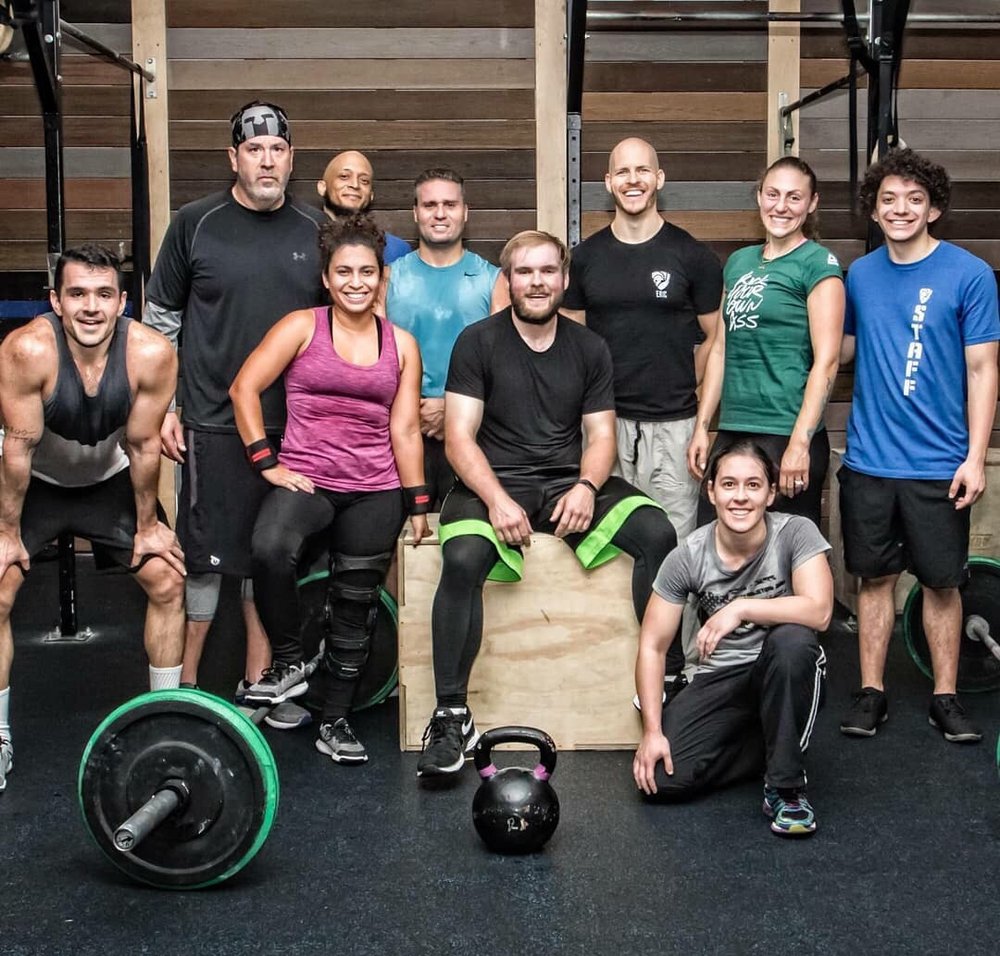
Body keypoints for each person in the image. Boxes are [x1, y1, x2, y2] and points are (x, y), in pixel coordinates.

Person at [416, 230, 677, 779]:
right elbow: (459, 438)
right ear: (508, 280)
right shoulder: (477, 342)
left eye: (547, 271)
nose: (537, 282)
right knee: (462, 558)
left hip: (564, 485)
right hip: (492, 484)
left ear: (564, 279)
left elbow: (600, 436)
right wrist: (496, 500)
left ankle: (667, 686)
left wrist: (586, 486)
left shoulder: (589, 348)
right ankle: (452, 715)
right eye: (525, 272)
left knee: (658, 533)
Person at [230, 216, 430, 763]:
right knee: (270, 548)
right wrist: (266, 463)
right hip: (308, 479)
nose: (355, 282)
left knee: (354, 606)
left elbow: (405, 429)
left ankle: (335, 721)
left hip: (375, 489)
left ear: (382, 278)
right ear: (326, 277)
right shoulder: (302, 327)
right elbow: (244, 388)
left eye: (366, 271)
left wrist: (417, 502)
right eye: (344, 271)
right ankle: (288, 661)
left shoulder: (401, 345)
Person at [143, 101, 325, 697]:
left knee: (268, 558)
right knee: (202, 562)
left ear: (291, 159)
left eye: (277, 150)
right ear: (233, 157)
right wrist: (165, 406)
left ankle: (258, 686)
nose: (266, 161)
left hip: (295, 427)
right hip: (211, 421)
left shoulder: (315, 229)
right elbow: (160, 320)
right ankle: (183, 693)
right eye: (254, 150)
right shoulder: (195, 222)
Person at [0, 244, 186, 793]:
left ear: (123, 303)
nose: (91, 307)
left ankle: (162, 725)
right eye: (77, 294)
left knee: (167, 579)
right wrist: (7, 534)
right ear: (55, 301)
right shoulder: (28, 349)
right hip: (35, 484)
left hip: (108, 481)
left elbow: (145, 445)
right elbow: (17, 450)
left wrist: (148, 527)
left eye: (104, 294)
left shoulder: (151, 353)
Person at [837, 149, 999, 744]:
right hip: (869, 460)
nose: (900, 209)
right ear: (873, 210)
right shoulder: (859, 275)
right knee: (874, 581)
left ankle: (945, 697)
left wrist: (975, 458)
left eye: (913, 199)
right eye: (888, 200)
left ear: (933, 209)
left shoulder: (970, 274)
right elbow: (840, 351)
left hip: (940, 464)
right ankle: (871, 692)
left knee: (941, 584)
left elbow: (983, 369)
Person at [562, 137, 723, 693]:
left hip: (674, 427)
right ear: (607, 183)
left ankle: (680, 674)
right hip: (604, 430)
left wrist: (702, 423)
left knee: (675, 551)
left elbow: (715, 343)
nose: (633, 180)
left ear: (659, 178)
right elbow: (573, 346)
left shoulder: (692, 257)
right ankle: (618, 669)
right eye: (622, 172)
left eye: (642, 171)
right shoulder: (585, 259)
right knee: (608, 547)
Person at [633, 441, 831, 837]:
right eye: (729, 484)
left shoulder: (795, 533)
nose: (740, 496)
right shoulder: (688, 555)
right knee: (663, 780)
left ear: (770, 494)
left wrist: (740, 608)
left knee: (792, 641)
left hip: (782, 669)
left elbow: (820, 611)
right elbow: (652, 646)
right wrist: (652, 732)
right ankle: (772, 742)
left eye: (753, 485)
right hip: (721, 675)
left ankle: (786, 787)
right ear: (711, 492)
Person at [688, 156, 845, 529]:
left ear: (812, 203)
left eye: (794, 197)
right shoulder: (739, 262)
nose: (781, 206)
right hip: (734, 428)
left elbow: (827, 360)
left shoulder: (818, 264)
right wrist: (702, 426)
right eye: (773, 194)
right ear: (759, 196)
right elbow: (721, 348)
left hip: (786, 431)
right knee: (713, 540)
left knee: (788, 550)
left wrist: (800, 442)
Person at [385, 168, 509, 508]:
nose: (440, 213)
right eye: (430, 205)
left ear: (465, 212)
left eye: (450, 205)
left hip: (473, 431)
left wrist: (451, 409)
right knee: (407, 531)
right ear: (416, 213)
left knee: (465, 530)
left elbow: (503, 364)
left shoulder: (492, 280)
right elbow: (375, 358)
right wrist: (415, 409)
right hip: (402, 430)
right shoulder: (388, 278)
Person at [316, 150, 410, 263]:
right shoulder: (302, 241)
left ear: (371, 195)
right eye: (344, 176)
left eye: (364, 181)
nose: (355, 185)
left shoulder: (396, 251)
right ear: (322, 187)